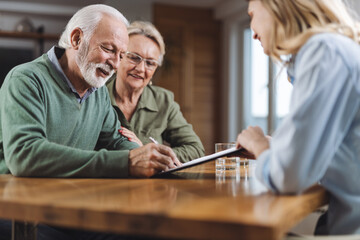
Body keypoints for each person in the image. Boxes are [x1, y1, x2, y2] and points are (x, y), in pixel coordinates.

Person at [0, 5, 181, 179]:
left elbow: (117, 140)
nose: (116, 65)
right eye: (109, 49)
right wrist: (127, 162)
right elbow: (24, 155)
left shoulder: (98, 92)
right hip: (19, 201)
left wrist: (146, 156)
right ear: (77, 39)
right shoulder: (26, 80)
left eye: (121, 55)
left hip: (69, 196)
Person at [236, 0, 360, 236]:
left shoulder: (325, 51)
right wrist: (279, 151)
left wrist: (259, 144)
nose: (252, 32)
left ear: (277, 6)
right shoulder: (335, 49)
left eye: (252, 14)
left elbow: (289, 179)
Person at [106, 21, 205, 163]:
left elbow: (195, 150)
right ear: (120, 56)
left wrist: (148, 151)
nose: (141, 69)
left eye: (150, 63)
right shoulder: (96, 96)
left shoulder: (163, 100)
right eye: (134, 57)